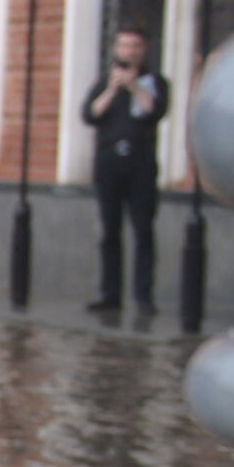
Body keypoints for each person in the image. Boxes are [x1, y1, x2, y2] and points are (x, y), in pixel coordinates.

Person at [82, 27, 170, 315]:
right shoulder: (104, 82)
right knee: (110, 232)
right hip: (109, 165)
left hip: (141, 166)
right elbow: (90, 114)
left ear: (143, 50)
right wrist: (112, 88)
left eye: (135, 46)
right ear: (116, 49)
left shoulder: (155, 82)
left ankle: (143, 296)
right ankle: (110, 294)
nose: (129, 51)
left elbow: (155, 111)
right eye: (124, 46)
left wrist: (134, 87)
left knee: (143, 232)